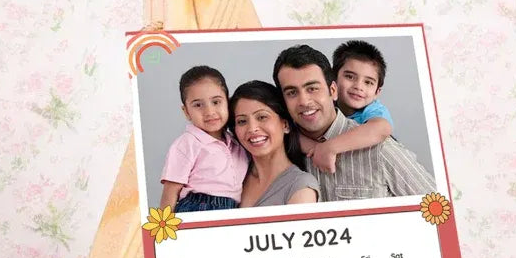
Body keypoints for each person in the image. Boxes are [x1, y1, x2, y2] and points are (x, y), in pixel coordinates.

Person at [273, 45, 435, 200]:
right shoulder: (277, 150)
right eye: (292, 92)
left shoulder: (380, 148)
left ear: (333, 90)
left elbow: (439, 209)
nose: (304, 101)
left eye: (313, 88)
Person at [159, 65, 249, 213]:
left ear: (228, 102)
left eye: (216, 102)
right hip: (199, 207)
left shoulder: (237, 143)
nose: (209, 111)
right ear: (186, 111)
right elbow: (170, 192)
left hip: (232, 209)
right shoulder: (187, 144)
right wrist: (164, 231)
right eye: (198, 105)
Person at [303, 40, 394, 173]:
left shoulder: (373, 109)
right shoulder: (326, 105)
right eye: (350, 77)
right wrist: (317, 148)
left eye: (368, 82)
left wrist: (330, 147)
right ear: (333, 78)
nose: (358, 86)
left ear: (376, 92)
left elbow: (381, 129)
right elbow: (293, 134)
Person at [228, 80, 319, 208]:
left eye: (262, 117)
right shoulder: (231, 177)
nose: (252, 128)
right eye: (242, 121)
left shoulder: (300, 186)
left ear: (285, 125)